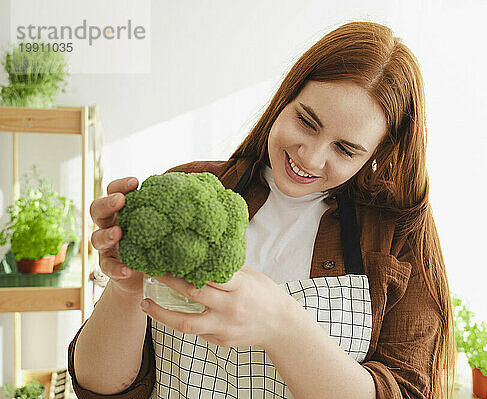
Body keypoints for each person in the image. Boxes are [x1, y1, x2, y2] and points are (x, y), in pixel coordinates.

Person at [68, 21, 456, 399]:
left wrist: (281, 325)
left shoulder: (396, 231)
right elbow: (99, 388)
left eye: (345, 149)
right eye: (306, 121)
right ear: (286, 99)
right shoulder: (192, 190)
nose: (312, 156)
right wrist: (124, 285)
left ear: (378, 154)